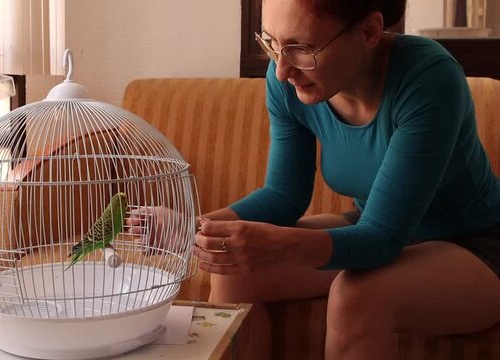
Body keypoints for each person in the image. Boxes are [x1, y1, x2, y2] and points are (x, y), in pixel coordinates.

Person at [190, 0, 500, 359]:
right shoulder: (288, 81)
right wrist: (196, 227)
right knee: (233, 272)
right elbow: (284, 195)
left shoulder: (429, 78)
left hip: (472, 242)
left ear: (368, 31)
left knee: (356, 297)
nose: (281, 71)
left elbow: (382, 239)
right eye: (273, 44)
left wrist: (276, 243)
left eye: (301, 49)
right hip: (370, 224)